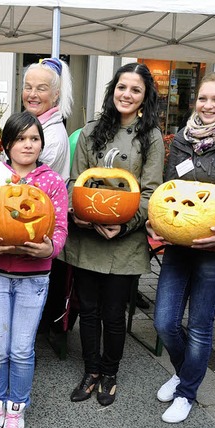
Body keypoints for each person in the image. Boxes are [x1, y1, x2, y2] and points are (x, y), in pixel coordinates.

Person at [147, 72, 215, 423]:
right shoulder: (182, 140)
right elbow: (169, 188)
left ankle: (187, 392)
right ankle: (185, 372)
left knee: (199, 325)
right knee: (164, 322)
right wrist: (157, 220)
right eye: (203, 98)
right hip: (180, 244)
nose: (208, 106)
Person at [60, 62, 164, 407]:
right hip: (88, 237)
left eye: (135, 90)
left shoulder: (150, 138)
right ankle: (90, 371)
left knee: (113, 311)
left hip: (126, 242)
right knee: (88, 309)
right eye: (122, 87)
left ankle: (110, 373)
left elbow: (151, 193)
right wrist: (83, 218)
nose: (127, 94)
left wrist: (125, 225)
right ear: (113, 90)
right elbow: (77, 182)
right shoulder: (91, 132)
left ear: (145, 97)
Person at [0, 112, 68, 428]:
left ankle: (16, 409)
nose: (28, 145)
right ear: (7, 144)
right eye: (21, 139)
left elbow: (60, 230)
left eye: (34, 139)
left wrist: (50, 250)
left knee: (22, 349)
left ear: (42, 144)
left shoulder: (52, 182)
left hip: (34, 278)